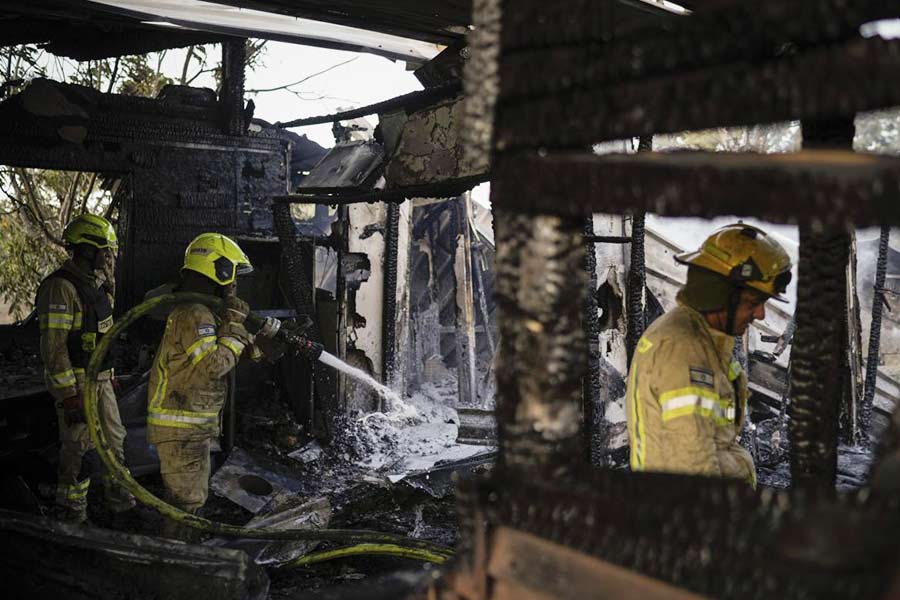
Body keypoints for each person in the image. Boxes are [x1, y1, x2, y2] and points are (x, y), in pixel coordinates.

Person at [625, 223, 792, 488]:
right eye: (752, 303)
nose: (760, 315)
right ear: (719, 296)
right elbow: (693, 470)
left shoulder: (706, 341)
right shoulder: (683, 351)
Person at [147, 232, 256, 540]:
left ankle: (174, 556)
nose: (234, 286)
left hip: (187, 425)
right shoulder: (195, 313)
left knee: (184, 501)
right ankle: (175, 564)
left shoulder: (198, 311)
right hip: (182, 427)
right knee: (186, 504)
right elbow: (213, 366)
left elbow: (218, 355)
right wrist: (234, 323)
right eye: (232, 276)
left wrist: (252, 344)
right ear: (217, 270)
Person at [35, 213, 135, 522]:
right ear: (87, 249)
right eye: (104, 249)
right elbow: (54, 347)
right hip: (78, 383)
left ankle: (121, 506)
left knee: (115, 443)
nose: (108, 256)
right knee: (79, 451)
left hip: (101, 379)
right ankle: (72, 513)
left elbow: (103, 336)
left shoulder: (97, 286)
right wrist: (68, 395)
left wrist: (110, 376)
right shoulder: (60, 288)